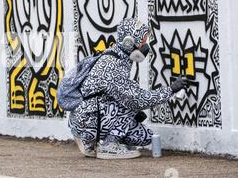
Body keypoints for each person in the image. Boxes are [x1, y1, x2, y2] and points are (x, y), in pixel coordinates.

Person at [68, 18, 186, 159]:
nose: (144, 46)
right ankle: (108, 146)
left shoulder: (120, 58)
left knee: (145, 137)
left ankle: (96, 144)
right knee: (132, 102)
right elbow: (136, 99)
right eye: (142, 41)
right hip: (87, 120)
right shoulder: (112, 64)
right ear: (129, 41)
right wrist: (170, 90)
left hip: (93, 116)